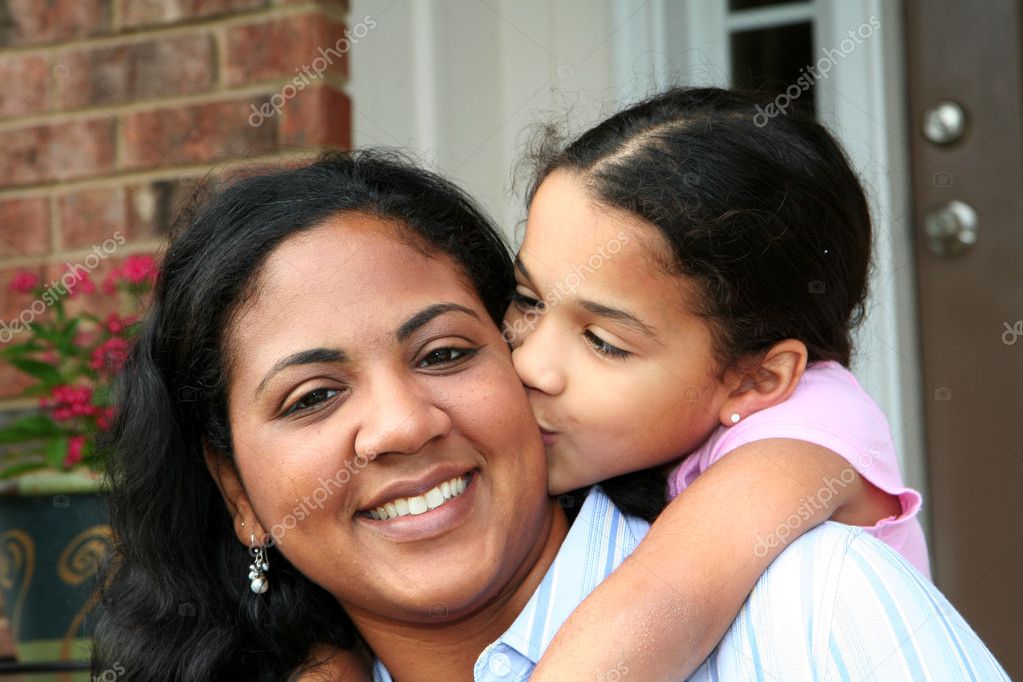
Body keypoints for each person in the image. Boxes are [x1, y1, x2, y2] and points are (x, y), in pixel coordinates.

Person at [90, 150, 1007, 681]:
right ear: (236, 491)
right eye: (313, 396)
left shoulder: (814, 609)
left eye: (446, 353)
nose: (404, 424)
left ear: (529, 370)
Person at [502, 86, 934, 680]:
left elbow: (660, 606)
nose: (530, 365)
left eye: (605, 342)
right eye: (527, 299)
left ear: (757, 379)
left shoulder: (809, 433)